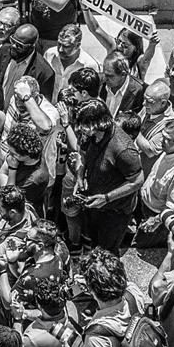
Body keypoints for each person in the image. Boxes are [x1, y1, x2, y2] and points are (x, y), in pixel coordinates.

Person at [62, 100, 143, 250]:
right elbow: (82, 154)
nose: (81, 130)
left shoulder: (124, 149)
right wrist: (80, 177)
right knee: (93, 243)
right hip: (94, 203)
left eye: (84, 126)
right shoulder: (88, 134)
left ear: (98, 123)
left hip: (115, 211)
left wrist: (106, 198)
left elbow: (137, 181)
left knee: (106, 252)